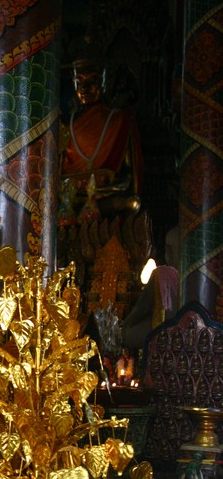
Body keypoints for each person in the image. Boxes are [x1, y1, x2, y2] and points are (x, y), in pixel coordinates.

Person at [61, 47, 143, 220]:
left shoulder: (121, 121)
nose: (85, 88)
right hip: (74, 198)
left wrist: (103, 186)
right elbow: (58, 175)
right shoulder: (66, 126)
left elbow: (130, 176)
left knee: (130, 202)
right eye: (79, 81)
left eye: (93, 80)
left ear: (107, 82)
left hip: (108, 197)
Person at [121, 259, 179, 351]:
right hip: (178, 332)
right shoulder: (176, 276)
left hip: (159, 330)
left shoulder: (158, 275)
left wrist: (125, 325)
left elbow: (142, 308)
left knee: (128, 334)